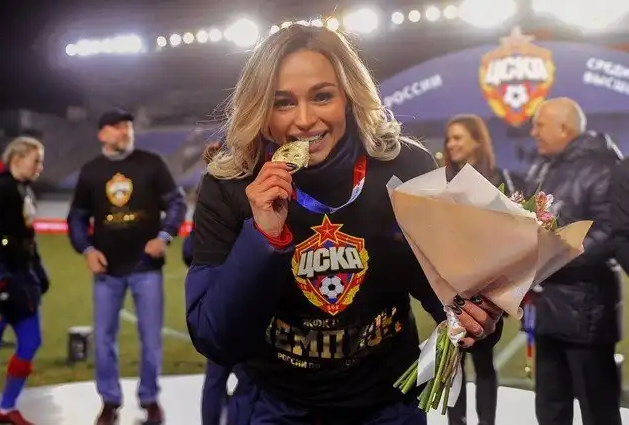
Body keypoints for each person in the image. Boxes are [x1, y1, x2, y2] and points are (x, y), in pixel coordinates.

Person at [185, 24, 503, 425]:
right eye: (283, 102)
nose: (305, 119)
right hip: (276, 407)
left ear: (349, 97)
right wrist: (263, 236)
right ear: (260, 110)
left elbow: (448, 298)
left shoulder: (405, 166)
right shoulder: (231, 182)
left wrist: (477, 316)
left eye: (322, 96)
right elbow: (216, 339)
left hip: (387, 407)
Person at [67, 109, 187, 425]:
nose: (125, 132)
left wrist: (164, 236)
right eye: (118, 127)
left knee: (151, 337)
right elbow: (77, 216)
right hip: (107, 270)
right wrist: (87, 249)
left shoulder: (151, 164)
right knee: (104, 338)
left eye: (128, 127)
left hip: (146, 267)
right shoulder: (91, 171)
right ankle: (109, 401)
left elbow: (176, 202)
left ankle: (150, 398)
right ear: (102, 134)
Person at [526, 97, 622, 425]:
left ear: (564, 128)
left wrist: (553, 257)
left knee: (598, 411)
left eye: (539, 125)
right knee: (550, 409)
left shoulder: (604, 167)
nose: (533, 132)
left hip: (586, 312)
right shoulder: (544, 166)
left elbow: (609, 234)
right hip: (547, 308)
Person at [443, 114, 522, 425]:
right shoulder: (444, 183)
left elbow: (517, 232)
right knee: (453, 362)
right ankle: (456, 421)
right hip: (451, 287)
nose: (450, 144)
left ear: (477, 141)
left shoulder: (499, 178)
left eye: (458, 137)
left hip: (488, 290)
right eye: (448, 138)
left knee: (484, 360)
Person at [0, 137, 48, 425]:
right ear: (17, 158)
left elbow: (28, 236)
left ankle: (6, 408)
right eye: (36, 160)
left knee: (31, 342)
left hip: (24, 281)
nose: (40, 166)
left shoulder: (25, 190)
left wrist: (39, 270)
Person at [182, 140, 236, 425]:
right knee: (253, 383)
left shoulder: (209, 190)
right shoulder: (257, 191)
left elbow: (189, 251)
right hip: (245, 299)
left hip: (217, 300)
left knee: (216, 377)